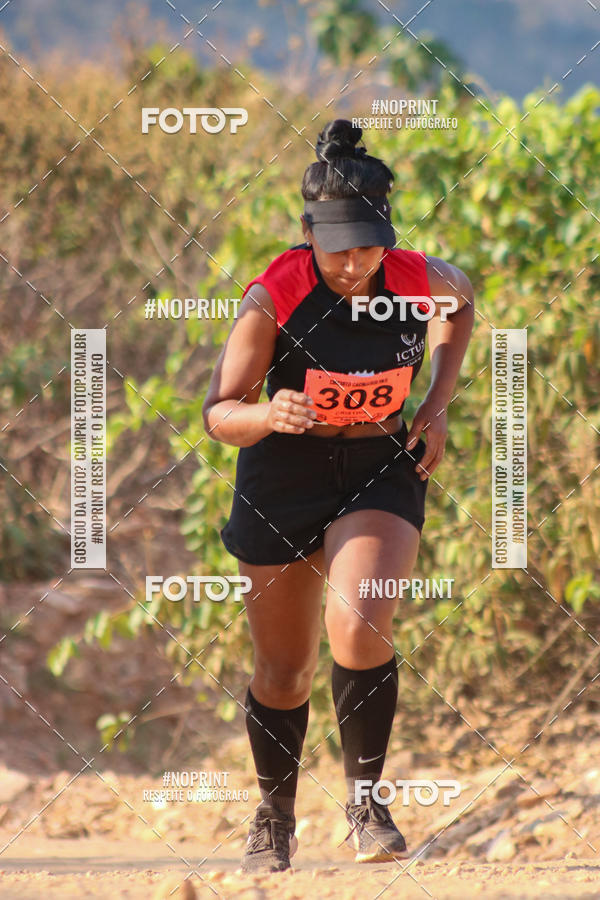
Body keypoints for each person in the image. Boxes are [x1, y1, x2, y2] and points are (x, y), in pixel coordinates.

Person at [202, 118, 474, 872]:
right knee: (282, 671)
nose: (356, 265)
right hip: (281, 478)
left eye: (370, 246)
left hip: (380, 469)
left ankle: (364, 800)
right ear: (308, 237)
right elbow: (219, 410)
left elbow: (464, 304)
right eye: (339, 250)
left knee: (358, 621)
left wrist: (437, 403)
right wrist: (267, 413)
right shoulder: (274, 295)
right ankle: (275, 817)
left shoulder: (419, 276)